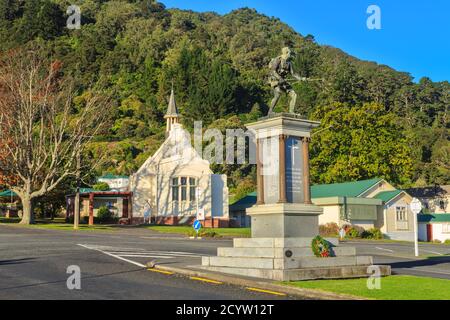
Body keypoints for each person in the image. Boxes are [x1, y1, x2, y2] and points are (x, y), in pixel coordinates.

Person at [268, 47, 307, 114]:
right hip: (275, 80)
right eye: (289, 53)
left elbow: (293, 73)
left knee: (294, 94)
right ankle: (270, 111)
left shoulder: (289, 63)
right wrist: (280, 78)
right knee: (278, 94)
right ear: (286, 53)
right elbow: (273, 71)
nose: (290, 54)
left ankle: (291, 111)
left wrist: (300, 78)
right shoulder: (278, 60)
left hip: (284, 81)